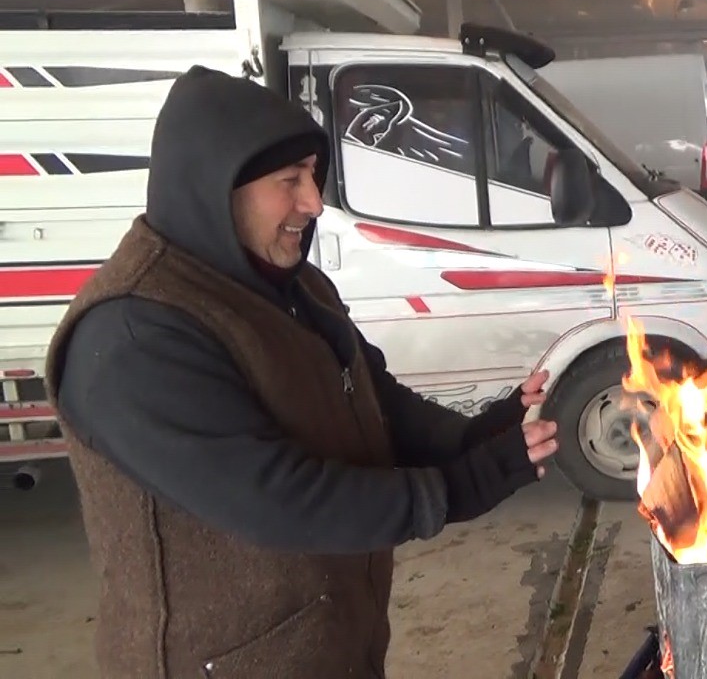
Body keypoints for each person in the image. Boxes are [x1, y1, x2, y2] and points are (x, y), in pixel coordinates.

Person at [44, 66, 559, 678]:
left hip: (330, 648)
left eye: (313, 175)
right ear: (215, 189)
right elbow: (277, 499)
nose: (314, 202)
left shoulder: (292, 284)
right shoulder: (135, 336)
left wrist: (478, 435)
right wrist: (455, 489)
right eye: (289, 181)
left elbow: (375, 401)